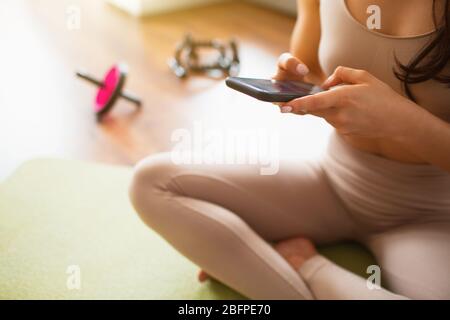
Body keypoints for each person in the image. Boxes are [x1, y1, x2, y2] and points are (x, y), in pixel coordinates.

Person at [129, 0, 450, 299]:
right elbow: (310, 66)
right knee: (150, 182)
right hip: (334, 183)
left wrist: (400, 120)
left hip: (431, 215)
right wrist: (294, 77)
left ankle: (299, 265)